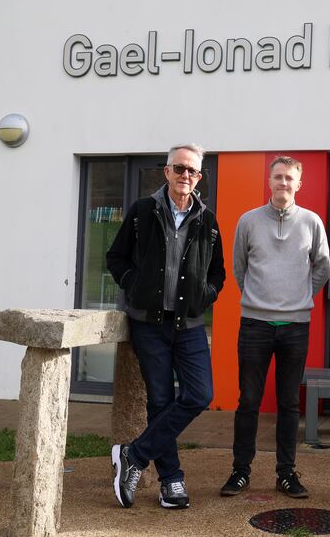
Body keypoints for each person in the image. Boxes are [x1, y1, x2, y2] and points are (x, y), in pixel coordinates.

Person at [106, 143, 226, 509]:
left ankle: (134, 455)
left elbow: (217, 271)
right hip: (149, 324)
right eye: (179, 169)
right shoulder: (144, 210)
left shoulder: (207, 218)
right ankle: (171, 481)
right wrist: (134, 285)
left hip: (188, 324)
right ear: (167, 171)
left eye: (192, 171)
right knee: (161, 402)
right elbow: (115, 257)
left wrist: (206, 295)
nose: (185, 176)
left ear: (199, 177)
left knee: (200, 394)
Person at [220, 156, 330, 499]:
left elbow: (322, 268)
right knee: (248, 401)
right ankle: (240, 472)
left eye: (290, 178)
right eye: (278, 177)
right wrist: (260, 298)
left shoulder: (311, 222)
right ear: (270, 181)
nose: (283, 183)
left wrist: (298, 296)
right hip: (255, 324)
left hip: (295, 327)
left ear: (300, 184)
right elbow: (239, 268)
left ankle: (286, 473)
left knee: (288, 404)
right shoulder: (248, 222)